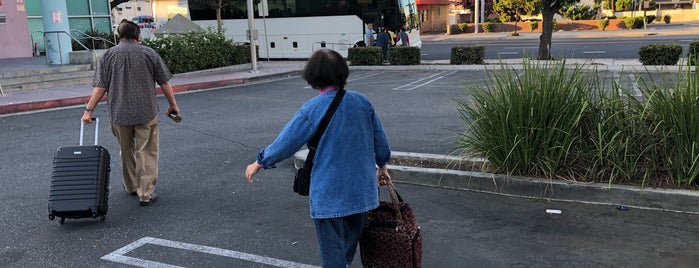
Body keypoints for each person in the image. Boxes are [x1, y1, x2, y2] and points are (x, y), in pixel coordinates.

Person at [244, 48, 392, 268]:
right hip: (362, 192)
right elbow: (380, 140)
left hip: (330, 193)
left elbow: (287, 142)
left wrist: (260, 161)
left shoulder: (312, 109)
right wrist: (383, 165)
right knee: (346, 254)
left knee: (334, 258)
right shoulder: (362, 102)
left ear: (313, 77)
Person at [81, 19, 179, 207]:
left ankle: (132, 186)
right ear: (138, 35)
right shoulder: (149, 53)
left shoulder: (108, 55)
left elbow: (100, 86)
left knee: (126, 150)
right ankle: (146, 193)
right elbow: (164, 82)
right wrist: (173, 105)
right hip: (146, 112)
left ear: (119, 35)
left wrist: (88, 110)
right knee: (147, 151)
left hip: (119, 113)